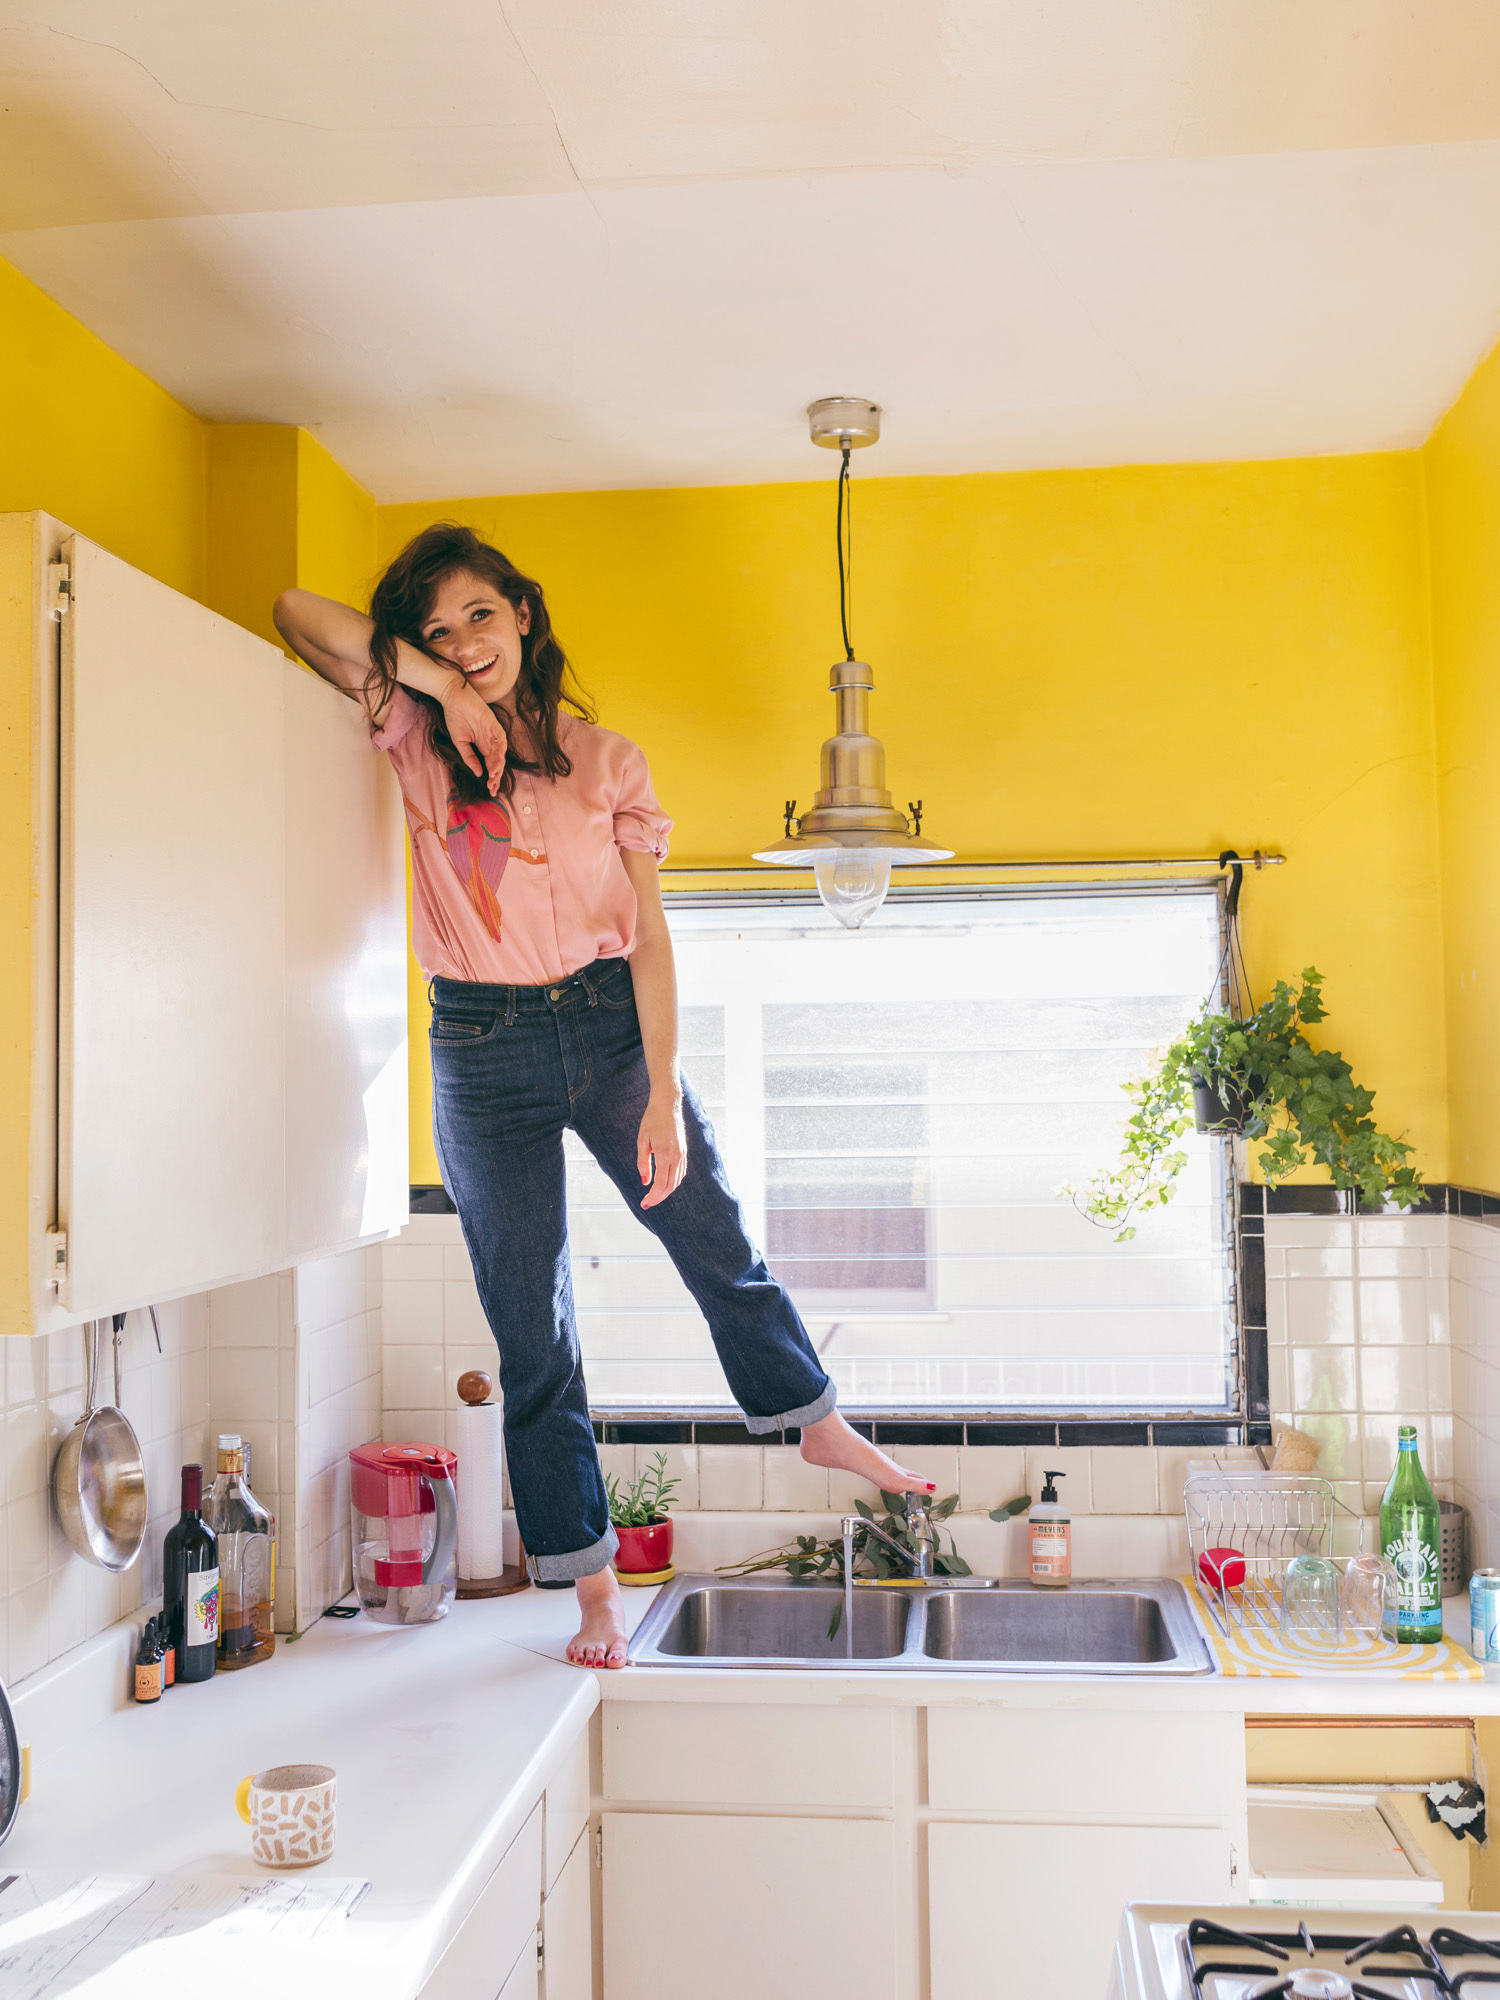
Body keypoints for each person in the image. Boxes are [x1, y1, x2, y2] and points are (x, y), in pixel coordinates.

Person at [274, 523, 934, 1667]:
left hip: (609, 1024)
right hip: (480, 1043)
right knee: (533, 1325)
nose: (464, 642)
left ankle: (814, 1419)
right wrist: (439, 689)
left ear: (524, 614)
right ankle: (587, 1586)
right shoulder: (410, 735)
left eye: (480, 615)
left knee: (709, 1230)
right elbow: (297, 609)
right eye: (437, 630)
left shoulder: (607, 761)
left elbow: (651, 941)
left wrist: (664, 1090)